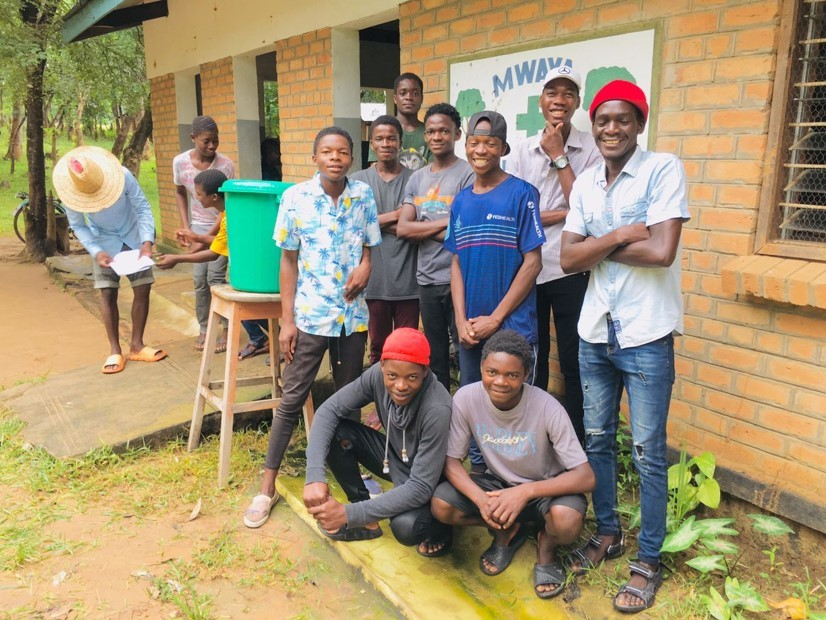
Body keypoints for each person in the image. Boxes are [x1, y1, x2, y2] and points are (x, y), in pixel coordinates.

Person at [560, 80, 690, 613]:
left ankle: (649, 558)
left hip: (645, 333)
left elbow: (661, 251)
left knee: (648, 454)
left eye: (622, 119)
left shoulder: (663, 169)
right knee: (596, 442)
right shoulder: (587, 181)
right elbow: (568, 260)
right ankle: (608, 530)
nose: (611, 128)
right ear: (594, 124)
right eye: (603, 120)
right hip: (595, 330)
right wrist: (617, 236)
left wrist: (595, 247)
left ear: (638, 123)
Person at [243, 126, 382, 529]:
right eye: (327, 151)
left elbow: (369, 251)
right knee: (291, 399)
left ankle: (353, 477)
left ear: (351, 159)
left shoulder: (363, 196)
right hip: (311, 317)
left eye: (342, 152)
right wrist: (286, 322)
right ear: (315, 157)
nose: (335, 157)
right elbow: (287, 262)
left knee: (349, 401)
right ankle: (266, 488)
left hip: (353, 319)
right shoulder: (295, 198)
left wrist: (366, 267)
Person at [430, 330, 594, 599]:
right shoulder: (466, 398)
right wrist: (481, 500)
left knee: (566, 522)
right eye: (492, 372)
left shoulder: (547, 407)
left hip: (544, 490)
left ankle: (546, 547)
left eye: (512, 375)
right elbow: (451, 461)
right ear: (481, 368)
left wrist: (525, 492)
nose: (500, 382)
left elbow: (586, 477)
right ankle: (505, 530)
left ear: (526, 375)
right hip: (497, 486)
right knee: (441, 504)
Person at [445, 111, 544, 472]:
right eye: (474, 142)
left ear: (503, 148)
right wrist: (460, 320)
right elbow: (455, 263)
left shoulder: (522, 194)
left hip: (512, 326)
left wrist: (497, 318)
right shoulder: (461, 201)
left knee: (514, 408)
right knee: (473, 403)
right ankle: (481, 476)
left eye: (489, 143)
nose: (480, 149)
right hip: (471, 328)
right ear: (465, 144)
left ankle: (516, 479)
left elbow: (532, 263)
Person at [508, 66, 602, 444]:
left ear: (577, 103)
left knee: (574, 359)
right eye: (552, 93)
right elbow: (518, 212)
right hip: (527, 267)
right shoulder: (519, 151)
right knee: (532, 355)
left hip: (570, 268)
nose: (559, 100)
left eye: (567, 94)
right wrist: (565, 213)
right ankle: (532, 436)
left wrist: (559, 155)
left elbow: (591, 213)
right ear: (541, 101)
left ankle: (575, 439)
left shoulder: (592, 150)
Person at [303, 327, 453, 554]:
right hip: (394, 456)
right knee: (336, 432)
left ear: (424, 371)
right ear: (382, 366)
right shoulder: (376, 375)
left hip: (430, 479)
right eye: (392, 376)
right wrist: (314, 475)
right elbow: (328, 411)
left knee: (406, 528)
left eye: (411, 377)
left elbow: (421, 486)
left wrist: (346, 515)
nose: (400, 386)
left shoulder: (437, 407)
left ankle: (443, 527)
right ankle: (365, 517)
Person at [55, 146, 166, 374]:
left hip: (133, 234)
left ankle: (137, 344)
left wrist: (146, 240)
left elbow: (143, 208)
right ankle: (115, 349)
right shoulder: (70, 192)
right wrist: (96, 251)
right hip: (102, 240)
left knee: (143, 287)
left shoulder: (123, 175)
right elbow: (78, 225)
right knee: (107, 292)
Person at [397, 103, 474, 392]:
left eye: (444, 130)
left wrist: (424, 226)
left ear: (456, 134)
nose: (436, 136)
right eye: (430, 131)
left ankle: (467, 411)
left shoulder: (467, 174)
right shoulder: (417, 178)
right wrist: (444, 225)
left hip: (458, 279)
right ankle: (441, 411)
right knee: (435, 353)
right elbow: (404, 228)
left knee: (465, 351)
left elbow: (464, 231)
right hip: (427, 279)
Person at [155, 169, 270, 361]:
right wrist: (191, 244)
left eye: (199, 194)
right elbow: (214, 239)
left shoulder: (231, 215)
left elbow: (212, 253)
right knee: (243, 304)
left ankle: (276, 339)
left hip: (253, 271)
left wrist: (178, 259)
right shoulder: (227, 210)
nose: (197, 198)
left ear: (214, 196)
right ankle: (261, 339)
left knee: (243, 304)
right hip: (245, 269)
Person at [351, 116, 418, 365]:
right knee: (377, 347)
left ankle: (403, 402)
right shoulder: (358, 181)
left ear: (400, 142)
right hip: (373, 280)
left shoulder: (416, 178)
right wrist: (397, 217)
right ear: (372, 143)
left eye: (391, 138)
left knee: (405, 346)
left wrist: (373, 223)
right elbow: (354, 226)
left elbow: (415, 224)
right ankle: (380, 399)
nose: (386, 143)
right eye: (379, 138)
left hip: (408, 279)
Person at [173, 115, 235, 353]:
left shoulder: (225, 165)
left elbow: (227, 205)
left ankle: (228, 329)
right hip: (199, 225)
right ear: (193, 138)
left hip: (221, 225)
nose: (211, 146)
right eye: (206, 141)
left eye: (215, 141)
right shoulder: (180, 162)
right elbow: (180, 191)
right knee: (200, 281)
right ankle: (205, 328)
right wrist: (188, 228)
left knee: (216, 278)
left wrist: (202, 238)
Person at [368, 73, 431, 170]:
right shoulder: (381, 131)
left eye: (415, 93)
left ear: (422, 98)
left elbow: (434, 171)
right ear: (395, 98)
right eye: (403, 93)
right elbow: (377, 171)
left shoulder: (430, 133)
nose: (409, 97)